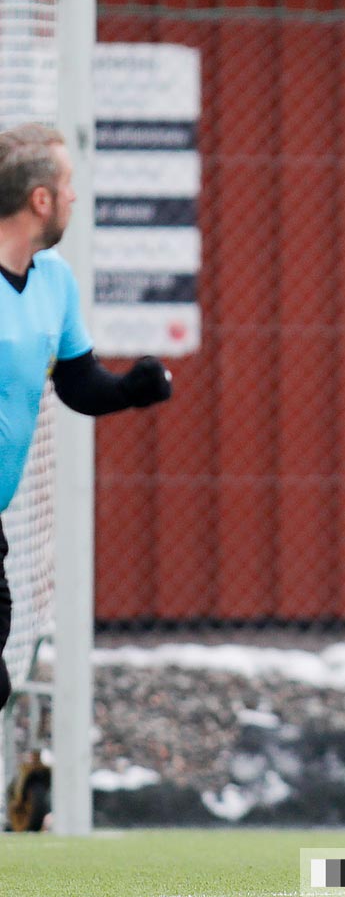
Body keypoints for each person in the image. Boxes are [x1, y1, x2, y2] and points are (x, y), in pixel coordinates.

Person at [0, 124, 173, 721]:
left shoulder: (54, 282)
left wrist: (131, 389)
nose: (76, 196)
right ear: (39, 199)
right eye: (67, 183)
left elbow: (77, 383)